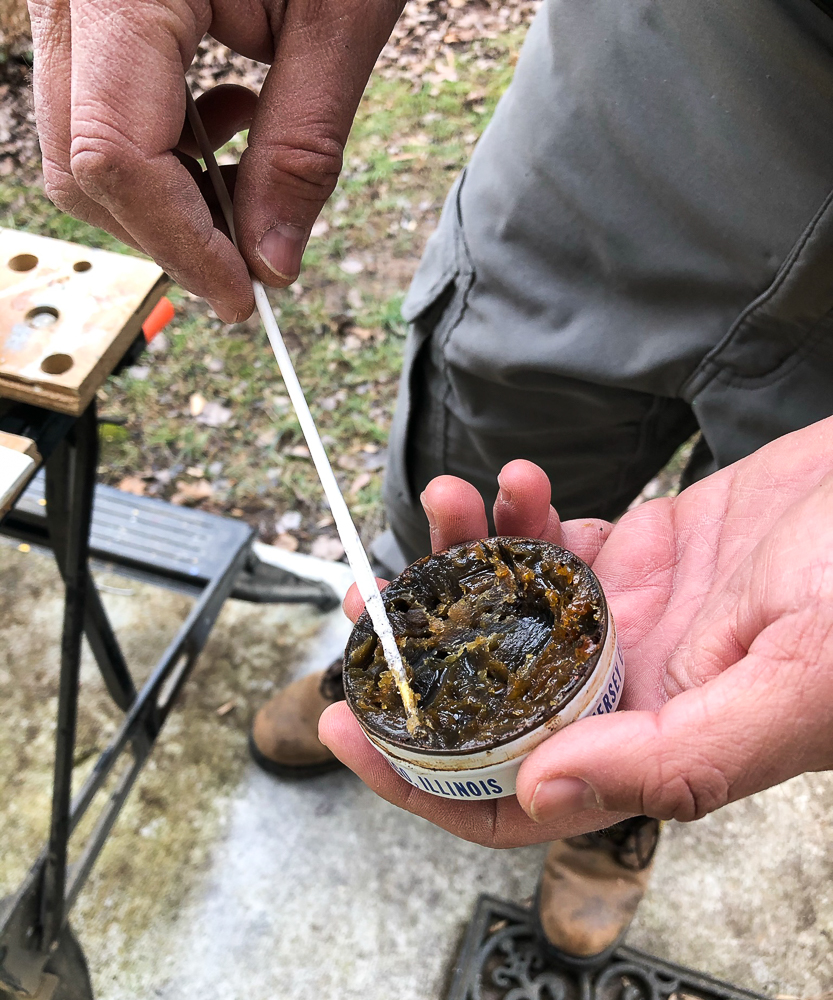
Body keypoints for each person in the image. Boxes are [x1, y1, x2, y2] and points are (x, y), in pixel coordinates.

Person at [30, 0, 833, 968]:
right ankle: (372, 676)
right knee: (477, 459)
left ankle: (604, 802)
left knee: (727, 593)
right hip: (679, 60)